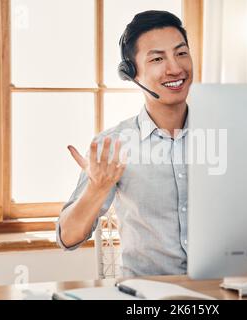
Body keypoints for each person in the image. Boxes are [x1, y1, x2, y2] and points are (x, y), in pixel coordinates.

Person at [56, 10, 193, 277]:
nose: (175, 68)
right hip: (147, 296)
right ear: (132, 73)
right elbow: (67, 238)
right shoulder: (113, 145)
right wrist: (97, 189)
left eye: (181, 53)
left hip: (222, 292)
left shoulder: (226, 134)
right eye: (157, 58)